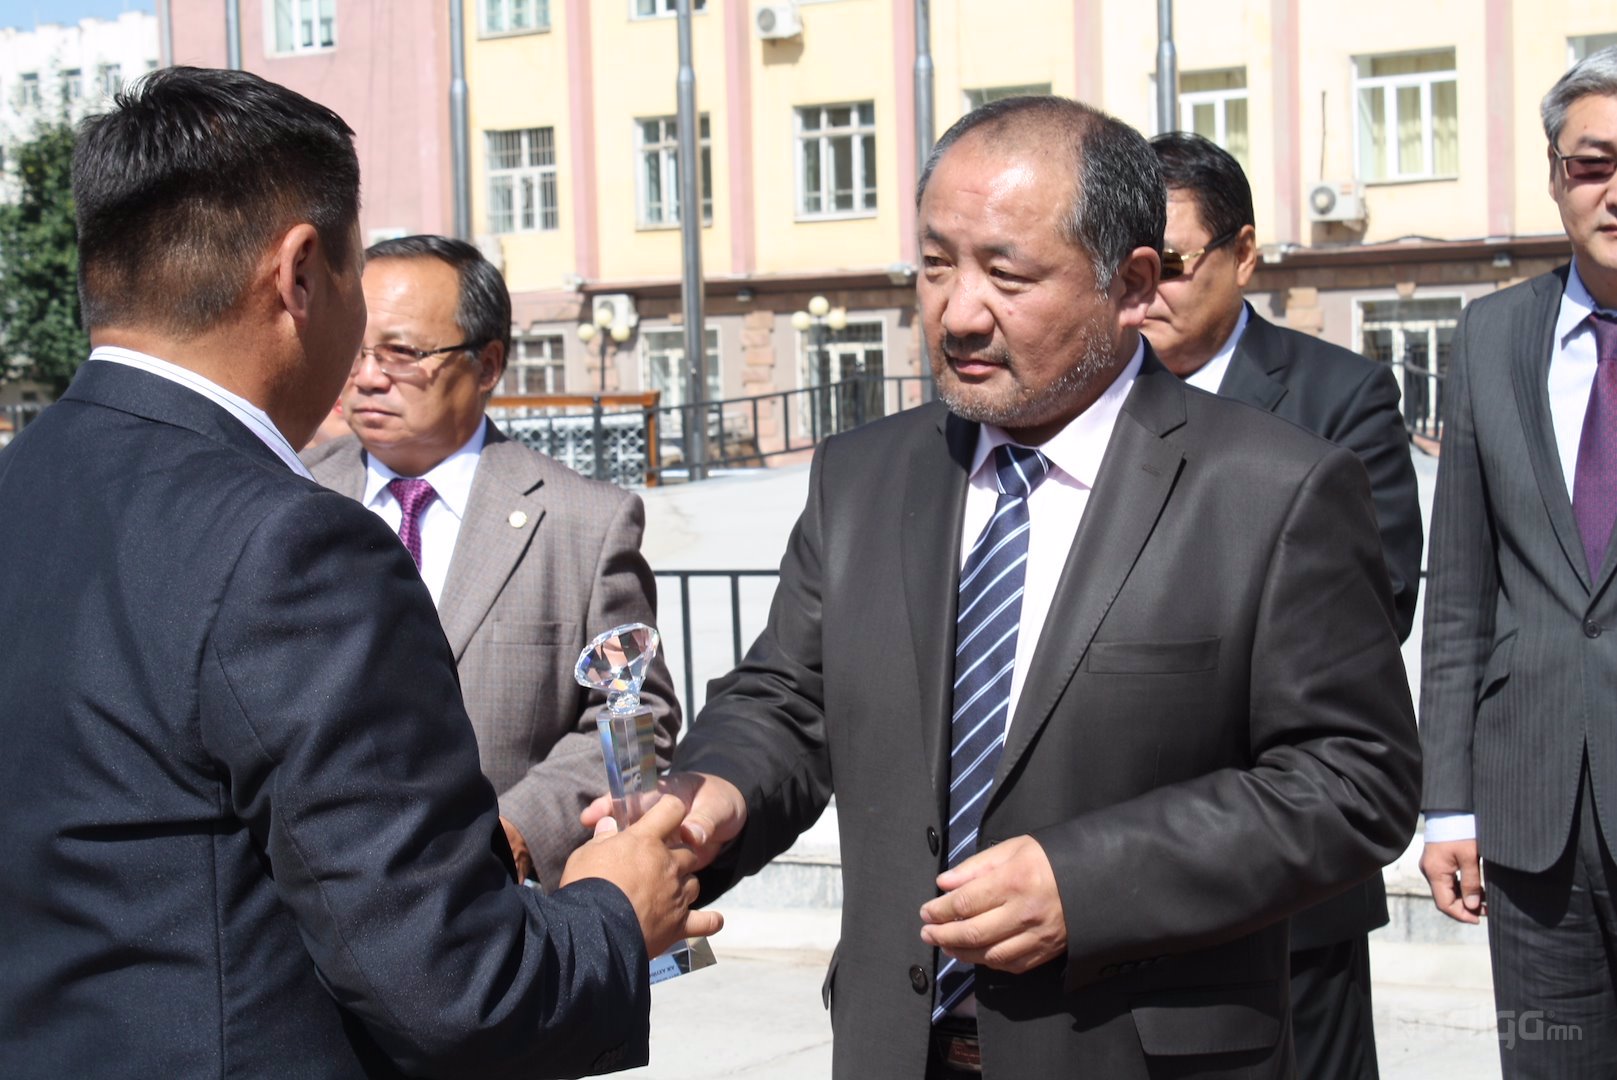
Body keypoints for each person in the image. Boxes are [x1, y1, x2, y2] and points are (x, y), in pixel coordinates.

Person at [609, 95, 1421, 1079]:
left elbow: (1353, 781)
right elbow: (789, 696)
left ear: (1132, 283)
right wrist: (718, 793)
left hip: (1136, 1056)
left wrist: (1086, 882)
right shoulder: (865, 477)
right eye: (935, 264)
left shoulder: (1271, 489)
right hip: (895, 1047)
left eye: (1007, 274)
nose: (958, 312)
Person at [0, 66, 715, 1078]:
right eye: (353, 280)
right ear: (301, 273)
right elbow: (453, 986)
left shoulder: (24, 483)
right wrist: (614, 909)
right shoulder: (289, 540)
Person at [1144, 131, 1422, 1080]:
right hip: (1108, 879)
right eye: (1123, 265)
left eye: (1169, 263)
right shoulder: (1086, 397)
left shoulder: (1337, 397)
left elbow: (1377, 606)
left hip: (1286, 873)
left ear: (1243, 254)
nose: (1143, 290)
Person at [303, 235, 679, 891]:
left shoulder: (584, 523)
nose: (367, 377)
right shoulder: (290, 498)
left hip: (499, 907)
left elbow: (636, 720)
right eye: (357, 349)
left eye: (402, 354)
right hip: (315, 901)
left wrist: (519, 832)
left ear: (488, 364)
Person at [1420, 44, 1617, 1077]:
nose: (1614, 192)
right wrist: (1448, 804)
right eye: (1594, 164)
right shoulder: (1492, 335)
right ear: (1555, 174)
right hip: (1533, 816)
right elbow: (1458, 592)